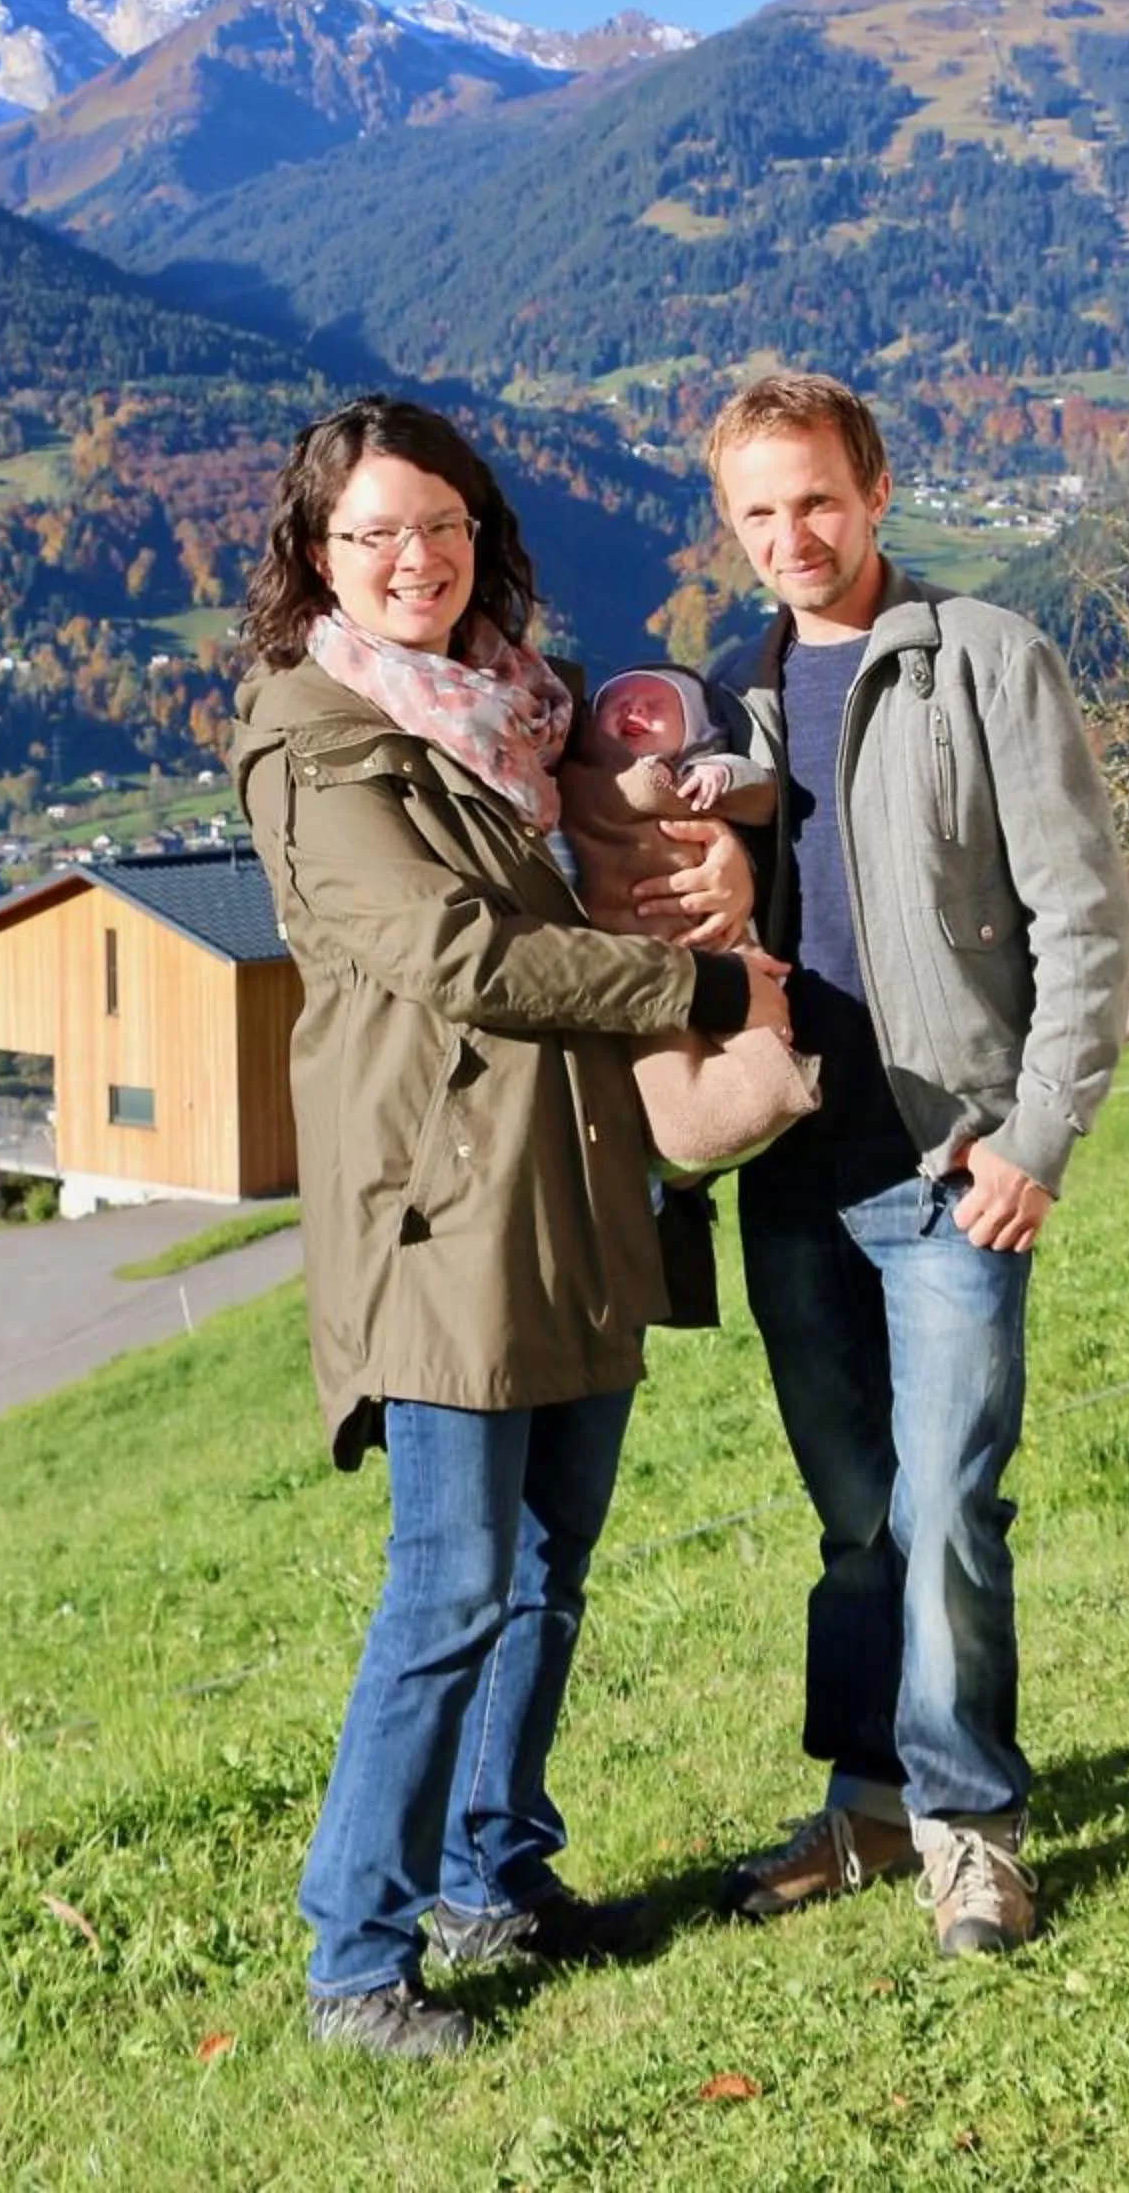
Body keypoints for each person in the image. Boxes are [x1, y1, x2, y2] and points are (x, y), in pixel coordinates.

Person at [232, 394, 788, 2060]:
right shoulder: (316, 738)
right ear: (318, 556)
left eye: (442, 524)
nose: (414, 559)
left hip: (576, 1183)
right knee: (448, 1585)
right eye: (375, 534)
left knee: (548, 1571)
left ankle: (495, 1876)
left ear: (481, 533)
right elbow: (456, 957)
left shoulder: (519, 712)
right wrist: (687, 980)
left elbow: (591, 879)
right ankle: (354, 1959)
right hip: (439, 1207)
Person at [702, 373, 1129, 1957]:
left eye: (813, 498)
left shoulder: (984, 661)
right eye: (756, 511)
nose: (789, 536)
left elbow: (1088, 923)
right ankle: (868, 1810)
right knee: (856, 1526)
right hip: (791, 1177)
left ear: (874, 488)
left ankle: (971, 1832)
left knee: (950, 1509)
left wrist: (1036, 1138)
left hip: (948, 1170)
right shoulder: (725, 698)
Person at [556, 663, 820, 1174]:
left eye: (658, 705)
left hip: (701, 939)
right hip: (626, 949)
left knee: (742, 1032)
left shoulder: (697, 776)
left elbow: (758, 788)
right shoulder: (580, 774)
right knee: (658, 1058)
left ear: (696, 733)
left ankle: (742, 1105)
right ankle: (683, 1139)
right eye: (619, 702)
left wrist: (717, 779)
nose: (635, 709)